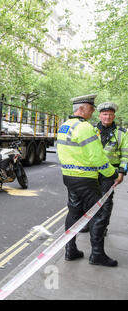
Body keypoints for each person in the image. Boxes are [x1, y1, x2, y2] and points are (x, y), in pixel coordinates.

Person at [57, 94, 120, 267]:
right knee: (99, 214)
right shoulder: (85, 127)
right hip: (85, 178)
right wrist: (112, 173)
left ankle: (70, 251)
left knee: (74, 211)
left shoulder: (65, 125)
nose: (93, 112)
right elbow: (96, 157)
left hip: (69, 177)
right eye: (92, 108)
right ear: (82, 108)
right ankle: (97, 255)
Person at [91, 102, 127, 236]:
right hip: (92, 172)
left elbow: (126, 154)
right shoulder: (91, 130)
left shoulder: (121, 133)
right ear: (100, 115)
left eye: (110, 115)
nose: (107, 117)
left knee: (105, 201)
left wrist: (122, 172)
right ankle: (90, 224)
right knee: (90, 199)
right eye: (105, 114)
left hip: (111, 173)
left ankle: (101, 227)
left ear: (114, 116)